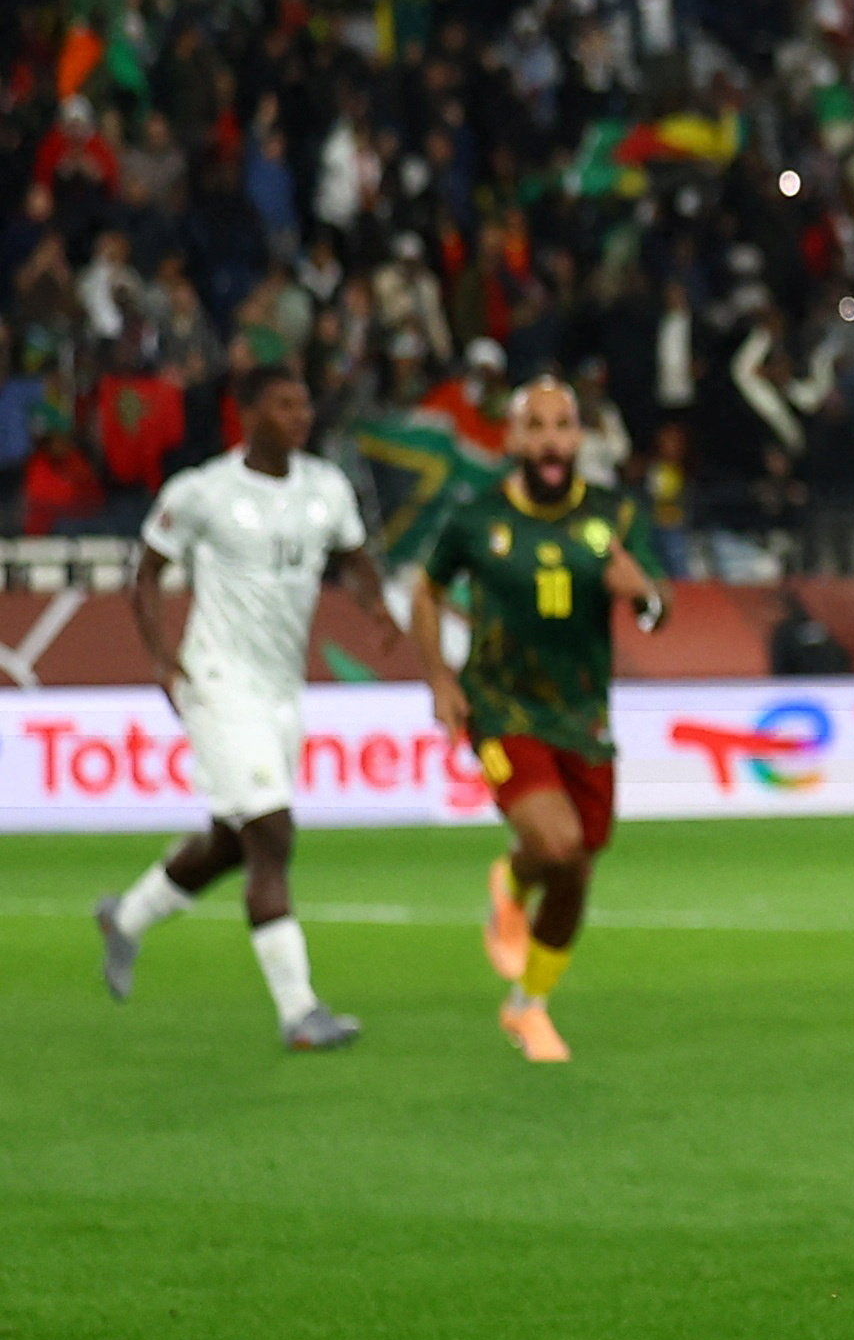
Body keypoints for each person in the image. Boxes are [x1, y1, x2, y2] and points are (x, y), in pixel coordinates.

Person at [94, 360, 383, 1049]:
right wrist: (163, 657)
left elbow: (355, 554)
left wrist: (378, 604)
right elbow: (147, 575)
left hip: (282, 689)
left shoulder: (327, 487)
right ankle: (299, 1013)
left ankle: (125, 919)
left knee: (232, 841)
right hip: (217, 679)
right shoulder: (204, 492)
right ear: (246, 415)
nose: (300, 416)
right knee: (272, 834)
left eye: (304, 404)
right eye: (284, 405)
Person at [412, 374, 666, 1063]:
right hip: (501, 707)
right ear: (513, 438)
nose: (552, 441)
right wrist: (439, 677)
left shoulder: (612, 516)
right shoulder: (476, 519)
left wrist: (639, 593)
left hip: (583, 715)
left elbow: (657, 608)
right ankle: (521, 874)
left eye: (563, 426)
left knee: (576, 869)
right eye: (538, 427)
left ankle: (528, 1003)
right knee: (558, 844)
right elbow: (425, 591)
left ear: (579, 438)